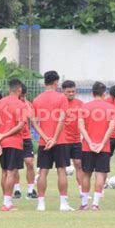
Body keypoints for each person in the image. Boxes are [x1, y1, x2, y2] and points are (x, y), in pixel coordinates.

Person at [31, 70, 74, 211]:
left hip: (44, 142)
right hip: (60, 140)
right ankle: (63, 203)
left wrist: (45, 138)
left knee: (43, 171)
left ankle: (41, 204)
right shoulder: (62, 98)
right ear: (56, 82)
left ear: (45, 82)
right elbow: (62, 119)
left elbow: (34, 122)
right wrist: (54, 138)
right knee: (61, 170)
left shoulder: (37, 100)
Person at [78, 82, 115, 211]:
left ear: (92, 93)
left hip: (87, 147)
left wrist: (89, 142)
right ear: (104, 93)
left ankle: (84, 204)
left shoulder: (84, 107)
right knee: (100, 175)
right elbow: (111, 128)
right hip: (103, 147)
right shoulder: (111, 108)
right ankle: (95, 204)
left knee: (86, 174)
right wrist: (102, 143)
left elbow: (81, 127)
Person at [0, 79, 28, 211]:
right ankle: (7, 203)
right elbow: (20, 125)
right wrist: (5, 135)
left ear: (9, 89)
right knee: (11, 172)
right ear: (19, 90)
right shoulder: (21, 105)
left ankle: (6, 200)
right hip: (14, 142)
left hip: (1, 143)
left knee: (4, 171)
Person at [14, 83, 37, 199]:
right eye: (20, 96)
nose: (22, 98)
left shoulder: (28, 105)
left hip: (26, 138)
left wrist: (26, 105)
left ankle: (31, 189)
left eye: (24, 96)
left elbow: (32, 118)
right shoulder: (12, 104)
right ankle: (17, 190)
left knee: (29, 163)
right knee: (15, 166)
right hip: (14, 138)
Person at [62, 80, 84, 196]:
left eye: (73, 91)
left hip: (76, 140)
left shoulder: (80, 104)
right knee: (62, 167)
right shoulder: (60, 103)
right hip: (63, 140)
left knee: (79, 164)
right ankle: (63, 194)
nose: (71, 93)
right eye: (68, 91)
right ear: (63, 92)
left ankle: (82, 191)